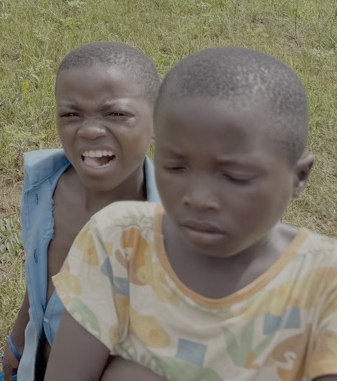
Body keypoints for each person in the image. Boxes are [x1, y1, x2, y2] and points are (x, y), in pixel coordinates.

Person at [47, 47, 337, 380]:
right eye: (175, 167)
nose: (198, 199)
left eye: (234, 176)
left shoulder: (325, 282)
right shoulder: (119, 242)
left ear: (298, 177)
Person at [0, 42, 161, 381]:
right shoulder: (45, 185)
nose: (89, 130)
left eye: (115, 114)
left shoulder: (174, 230)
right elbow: (40, 275)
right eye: (71, 114)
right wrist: (19, 339)